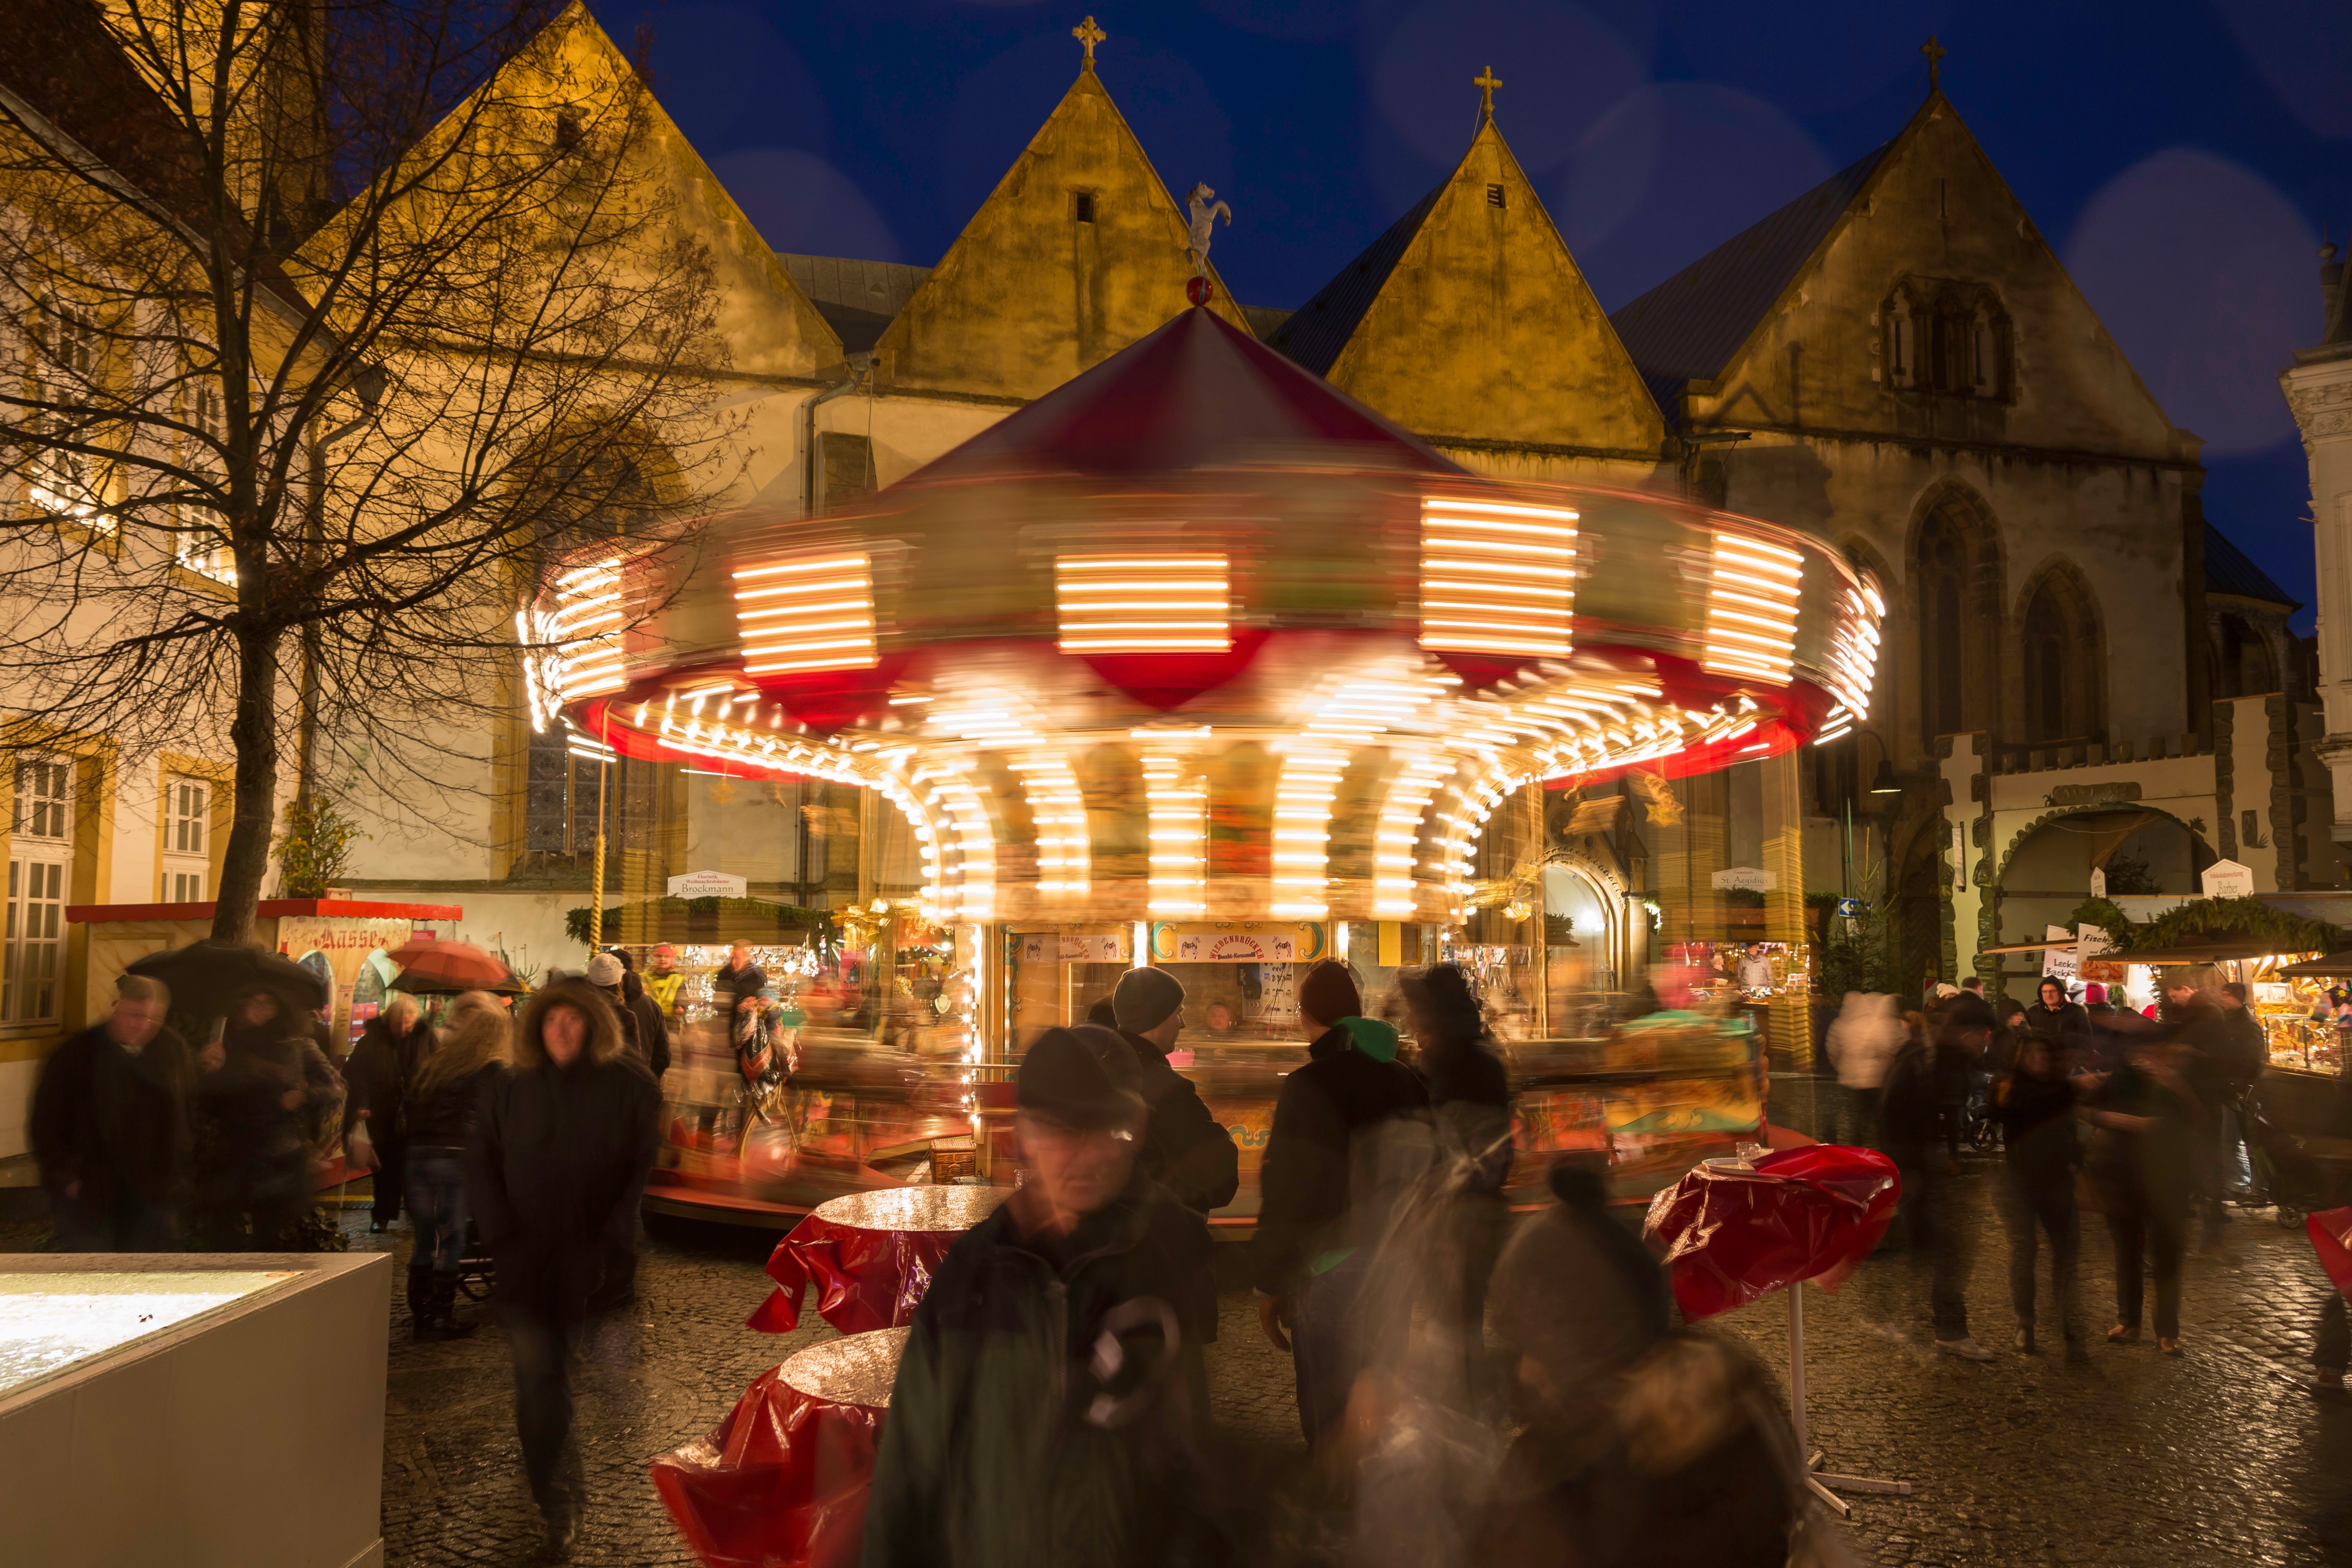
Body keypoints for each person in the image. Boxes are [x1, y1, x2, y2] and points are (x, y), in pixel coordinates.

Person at [862, 1024, 1226, 1568]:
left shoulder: (1166, 1258)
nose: (1089, 1154)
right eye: (1064, 1130)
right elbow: (912, 1467)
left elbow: (1188, 1451)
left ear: (1141, 1127)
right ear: (1025, 1133)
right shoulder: (975, 1276)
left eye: (1111, 1128)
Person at [470, 979, 659, 1559]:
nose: (562, 1030)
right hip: (524, 1257)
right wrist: (501, 1234)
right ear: (535, 1027)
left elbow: (637, 1171)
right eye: (551, 1021)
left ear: (594, 1025)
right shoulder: (507, 1085)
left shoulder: (629, 1087)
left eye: (574, 1020)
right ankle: (554, 1493)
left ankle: (559, 1469)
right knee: (538, 1377)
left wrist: (611, 1241)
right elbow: (482, 1164)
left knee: (561, 1368)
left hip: (588, 1259)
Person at [1252, 959, 1432, 1446]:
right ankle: (1387, 1495)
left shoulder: (1307, 1085)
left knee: (1329, 1404)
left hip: (1331, 1265)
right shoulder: (1405, 1078)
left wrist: (1271, 1281)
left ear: (1305, 1015)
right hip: (1397, 1260)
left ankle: (1335, 1504)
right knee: (1383, 1389)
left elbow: (1289, 1189)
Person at [1400, 963, 1512, 1390]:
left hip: (1457, 1220)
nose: (1409, 1020)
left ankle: (1458, 1415)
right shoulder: (1461, 1056)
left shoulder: (1458, 1064)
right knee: (1455, 1324)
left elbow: (1478, 1150)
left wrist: (1447, 1213)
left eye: (1416, 1010)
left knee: (1454, 1326)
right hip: (1452, 1215)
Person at [30, 976, 192, 1250]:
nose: (141, 1025)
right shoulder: (78, 1053)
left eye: (153, 1020)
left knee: (145, 1268)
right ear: (116, 1009)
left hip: (150, 1187)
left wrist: (176, 1176)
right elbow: (47, 1119)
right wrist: (65, 1176)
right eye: (134, 1015)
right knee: (94, 1266)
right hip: (91, 1185)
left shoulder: (171, 1050)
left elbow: (184, 1112)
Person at [1880, 999, 1991, 1359]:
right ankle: (1944, 1328)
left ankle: (1925, 1321)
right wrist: (1908, 1169)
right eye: (1983, 1036)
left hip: (1932, 1168)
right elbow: (1893, 1114)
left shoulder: (1949, 1059)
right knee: (1943, 1249)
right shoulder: (1920, 1059)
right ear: (1966, 1033)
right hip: (1917, 1168)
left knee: (1938, 1249)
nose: (1985, 1044)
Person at [193, 987, 344, 1250]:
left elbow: (336, 1087)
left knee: (269, 1239)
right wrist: (205, 1069)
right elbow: (204, 1101)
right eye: (252, 1001)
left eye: (267, 1003)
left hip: (279, 1155)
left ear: (280, 1008)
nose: (259, 1008)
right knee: (222, 1238)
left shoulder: (298, 1046)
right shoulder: (222, 1044)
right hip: (231, 1154)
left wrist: (304, 1095)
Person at [402, 989, 510, 1341]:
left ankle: (421, 1313)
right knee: (450, 1239)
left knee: (423, 1240)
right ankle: (441, 1315)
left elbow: (412, 1106)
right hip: (454, 1157)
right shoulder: (494, 1069)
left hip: (419, 1155)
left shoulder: (440, 1063)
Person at [1109, 968, 1241, 1214]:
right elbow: (1219, 1177)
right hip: (1159, 1236)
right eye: (1178, 1013)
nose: (1183, 1023)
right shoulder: (1167, 1090)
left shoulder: (1101, 1070)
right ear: (1155, 1018)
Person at [1990, 1029, 2085, 1358]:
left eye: (2044, 1055)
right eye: (2032, 1055)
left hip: (2058, 1182)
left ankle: (2070, 1327)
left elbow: (2069, 1130)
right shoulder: (2010, 1087)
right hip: (2020, 1183)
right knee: (2025, 1251)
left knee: (2067, 1254)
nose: (2040, 1061)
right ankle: (2025, 1324)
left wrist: (2075, 1160)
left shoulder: (2059, 1088)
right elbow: (2022, 1109)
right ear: (2019, 1057)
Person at [343, 992, 436, 1233]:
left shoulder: (427, 1038)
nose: (403, 1028)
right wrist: (361, 1104)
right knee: (385, 1168)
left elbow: (438, 1071)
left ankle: (417, 1213)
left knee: (415, 1167)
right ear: (389, 1021)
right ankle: (382, 1214)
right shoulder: (371, 1041)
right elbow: (356, 1075)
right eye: (398, 1023)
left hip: (416, 1113)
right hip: (382, 1113)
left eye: (408, 1022)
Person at [1823, 991, 1903, 1148]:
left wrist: (1842, 1068)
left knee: (1855, 1119)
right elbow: (1895, 1048)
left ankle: (1857, 1149)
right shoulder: (1886, 1024)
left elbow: (1832, 1049)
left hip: (1850, 1080)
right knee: (1877, 1118)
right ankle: (1880, 1150)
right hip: (1878, 1081)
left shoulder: (1842, 1024)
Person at [587, 951, 670, 1080]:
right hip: (637, 1083)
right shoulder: (652, 1006)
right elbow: (663, 1056)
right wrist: (649, 1081)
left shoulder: (588, 1006)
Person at [713, 942, 767, 1025]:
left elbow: (763, 1000)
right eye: (732, 958)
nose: (734, 962)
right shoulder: (724, 974)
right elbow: (720, 1002)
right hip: (727, 1026)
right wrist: (739, 1004)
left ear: (746, 957)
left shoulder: (756, 975)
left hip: (750, 1027)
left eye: (738, 958)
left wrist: (754, 1003)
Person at [642, 944, 685, 1018]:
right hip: (649, 1019)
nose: (662, 959)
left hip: (670, 1022)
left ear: (672, 959)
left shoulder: (678, 979)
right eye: (659, 956)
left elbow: (682, 997)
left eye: (667, 957)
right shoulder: (644, 977)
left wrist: (680, 1007)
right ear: (654, 959)